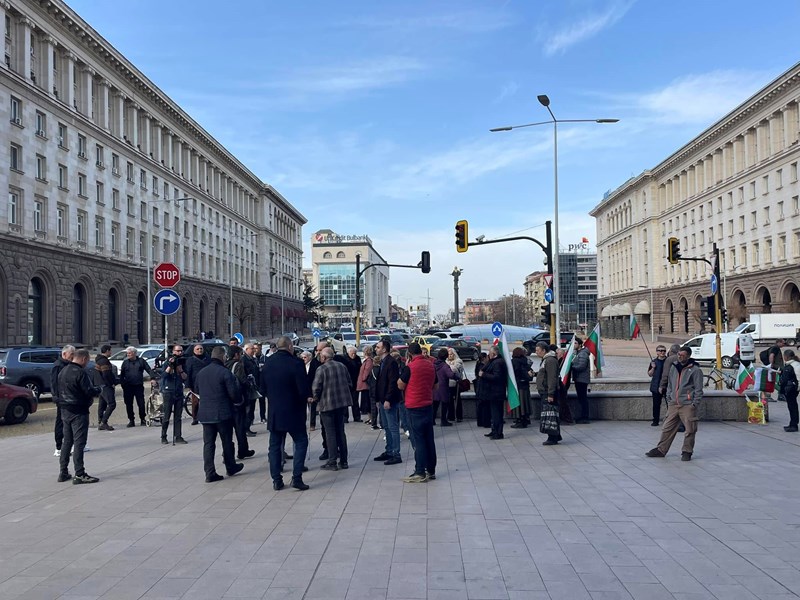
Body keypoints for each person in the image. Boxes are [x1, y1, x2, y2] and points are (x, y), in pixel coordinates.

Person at [260, 335, 311, 490]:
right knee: (301, 442)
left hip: (275, 412)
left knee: (275, 446)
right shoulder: (296, 363)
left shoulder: (268, 363)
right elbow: (303, 389)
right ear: (290, 347)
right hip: (294, 411)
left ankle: (276, 480)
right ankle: (297, 478)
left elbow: (262, 389)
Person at [646, 346, 703, 461]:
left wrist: (694, 404)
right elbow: (670, 384)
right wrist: (669, 397)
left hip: (687, 405)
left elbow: (698, 389)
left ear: (688, 356)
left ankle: (687, 451)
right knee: (667, 428)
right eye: (679, 354)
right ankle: (661, 450)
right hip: (673, 404)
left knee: (690, 430)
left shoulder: (695, 370)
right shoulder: (674, 367)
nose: (680, 357)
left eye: (682, 355)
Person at [195, 347, 244, 482]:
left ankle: (209, 472)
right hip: (223, 413)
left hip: (205, 414)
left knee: (208, 444)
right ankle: (230, 466)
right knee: (227, 441)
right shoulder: (224, 372)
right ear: (223, 357)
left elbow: (197, 389)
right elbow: (233, 394)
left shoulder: (201, 372)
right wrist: (238, 401)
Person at [57, 349, 101, 484]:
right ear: (83, 359)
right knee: (79, 442)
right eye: (87, 361)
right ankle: (80, 474)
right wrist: (98, 390)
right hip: (78, 410)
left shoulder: (63, 371)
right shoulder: (81, 372)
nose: (87, 363)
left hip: (65, 410)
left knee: (67, 442)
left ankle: (63, 472)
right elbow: (88, 391)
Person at [398, 342, 437, 483]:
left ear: (409, 354)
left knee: (418, 440)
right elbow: (436, 385)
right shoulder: (430, 365)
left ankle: (420, 471)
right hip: (428, 405)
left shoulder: (410, 367)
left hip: (414, 406)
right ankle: (431, 470)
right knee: (429, 439)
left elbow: (400, 385)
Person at [312, 347, 351, 471]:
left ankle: (332, 461)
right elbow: (349, 382)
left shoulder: (322, 369)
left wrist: (315, 398)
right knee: (340, 431)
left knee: (330, 433)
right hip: (341, 403)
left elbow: (316, 387)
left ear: (324, 357)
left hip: (327, 405)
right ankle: (344, 461)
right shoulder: (342, 366)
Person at [373, 339, 402, 465]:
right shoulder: (383, 362)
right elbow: (380, 382)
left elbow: (392, 382)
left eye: (378, 347)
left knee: (392, 427)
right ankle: (389, 450)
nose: (376, 349)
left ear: (384, 349)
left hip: (389, 400)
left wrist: (388, 399)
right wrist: (378, 399)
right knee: (386, 427)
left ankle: (396, 453)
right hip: (382, 399)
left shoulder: (391, 362)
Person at [225, 346, 255, 460]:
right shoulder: (238, 365)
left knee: (228, 431)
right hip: (238, 401)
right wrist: (249, 383)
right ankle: (242, 450)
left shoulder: (224, 365)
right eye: (240, 354)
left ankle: (227, 454)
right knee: (240, 428)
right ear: (236, 355)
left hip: (227, 401)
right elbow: (243, 381)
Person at [160, 344, 188, 445]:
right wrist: (170, 366)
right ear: (173, 352)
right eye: (177, 351)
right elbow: (163, 376)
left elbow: (185, 377)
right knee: (166, 415)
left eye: (181, 351)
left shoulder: (182, 362)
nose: (179, 353)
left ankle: (178, 436)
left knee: (178, 416)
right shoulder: (167, 362)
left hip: (178, 391)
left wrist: (180, 370)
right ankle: (163, 436)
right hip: (168, 391)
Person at [120, 346, 155, 427]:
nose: (128, 355)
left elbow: (149, 369)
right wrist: (123, 384)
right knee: (129, 404)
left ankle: (142, 419)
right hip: (128, 386)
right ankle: (131, 420)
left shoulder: (141, 361)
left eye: (129, 353)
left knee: (141, 403)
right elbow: (122, 375)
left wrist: (152, 378)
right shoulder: (125, 362)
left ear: (134, 353)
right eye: (127, 353)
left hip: (138, 386)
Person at [535, 341, 562, 445]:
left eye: (538, 350)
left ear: (544, 350)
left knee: (550, 415)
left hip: (548, 392)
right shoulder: (546, 360)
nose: (536, 352)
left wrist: (551, 394)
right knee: (549, 414)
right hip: (545, 391)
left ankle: (552, 437)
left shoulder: (550, 361)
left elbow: (552, 378)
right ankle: (555, 435)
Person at [51, 345, 75, 457]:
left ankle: (72, 444)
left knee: (71, 421)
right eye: (71, 354)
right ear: (64, 354)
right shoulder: (58, 365)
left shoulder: (69, 364)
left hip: (69, 397)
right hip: (62, 398)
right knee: (61, 421)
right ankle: (59, 447)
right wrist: (56, 397)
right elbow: (54, 383)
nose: (73, 356)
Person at [480, 346, 508, 440]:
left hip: (496, 393)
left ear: (493, 353)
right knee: (494, 413)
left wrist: (484, 375)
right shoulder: (493, 361)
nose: (488, 354)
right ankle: (494, 430)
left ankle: (498, 432)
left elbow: (497, 377)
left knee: (497, 414)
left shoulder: (498, 363)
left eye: (490, 352)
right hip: (492, 392)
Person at [658, 344, 683, 432]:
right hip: (683, 386)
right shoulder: (684, 358)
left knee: (672, 406)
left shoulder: (669, 359)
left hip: (672, 386)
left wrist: (662, 385)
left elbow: (665, 374)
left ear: (671, 351)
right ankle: (682, 424)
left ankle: (675, 425)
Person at [185, 344, 210, 426]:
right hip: (195, 384)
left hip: (207, 383)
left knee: (206, 401)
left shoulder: (207, 359)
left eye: (201, 348)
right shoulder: (190, 360)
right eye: (198, 349)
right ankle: (195, 418)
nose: (200, 350)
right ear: (194, 350)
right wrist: (188, 385)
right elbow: (188, 372)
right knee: (195, 402)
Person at [94, 345, 117, 431]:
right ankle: (103, 422)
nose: (111, 352)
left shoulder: (99, 360)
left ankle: (100, 421)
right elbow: (106, 374)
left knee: (102, 404)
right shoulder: (104, 361)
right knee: (112, 404)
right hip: (105, 385)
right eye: (110, 351)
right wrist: (111, 383)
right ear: (107, 351)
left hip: (99, 384)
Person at [433, 348, 457, 427]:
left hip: (434, 387)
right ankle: (443, 421)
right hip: (443, 388)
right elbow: (451, 375)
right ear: (446, 356)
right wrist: (456, 376)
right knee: (444, 405)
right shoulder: (444, 366)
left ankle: (432, 420)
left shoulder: (434, 364)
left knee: (435, 405)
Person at [510, 347, 532, 428]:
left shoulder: (514, 361)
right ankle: (526, 418)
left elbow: (514, 372)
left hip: (518, 385)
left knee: (519, 404)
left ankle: (520, 420)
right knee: (525, 403)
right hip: (525, 385)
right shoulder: (525, 360)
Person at [241, 343, 261, 434]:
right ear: (246, 349)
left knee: (251, 408)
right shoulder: (244, 360)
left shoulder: (253, 359)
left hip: (253, 387)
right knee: (248, 410)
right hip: (247, 389)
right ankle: (245, 429)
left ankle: (248, 427)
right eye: (252, 349)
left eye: (254, 348)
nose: (254, 350)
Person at [571, 337, 591, 424]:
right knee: (581, 398)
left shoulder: (583, 354)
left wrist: (571, 367)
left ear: (580, 345)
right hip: (578, 378)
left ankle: (585, 417)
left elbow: (581, 366)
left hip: (582, 379)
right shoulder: (577, 353)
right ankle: (582, 416)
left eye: (575, 343)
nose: (574, 345)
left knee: (583, 398)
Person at [342, 345, 363, 423]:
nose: (353, 355)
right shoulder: (344, 359)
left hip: (355, 382)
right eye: (352, 353)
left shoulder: (357, 358)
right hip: (346, 383)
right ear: (348, 352)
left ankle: (357, 417)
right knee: (345, 402)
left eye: (355, 353)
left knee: (355, 401)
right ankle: (345, 418)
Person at [781, 349, 800, 432]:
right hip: (789, 389)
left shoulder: (795, 365)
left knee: (793, 407)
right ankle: (792, 423)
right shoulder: (789, 365)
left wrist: (797, 388)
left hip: (792, 389)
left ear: (787, 357)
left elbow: (798, 378)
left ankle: (794, 425)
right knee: (791, 406)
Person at [648, 345, 668, 426]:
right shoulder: (654, 362)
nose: (662, 352)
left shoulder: (668, 361)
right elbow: (650, 374)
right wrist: (653, 368)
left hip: (667, 386)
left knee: (669, 405)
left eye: (664, 350)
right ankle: (655, 420)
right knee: (656, 405)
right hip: (655, 386)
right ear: (657, 352)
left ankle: (670, 421)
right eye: (660, 350)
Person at [446, 348, 465, 423]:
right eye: (448, 354)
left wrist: (449, 366)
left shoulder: (458, 361)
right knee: (449, 400)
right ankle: (451, 416)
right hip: (449, 384)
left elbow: (454, 370)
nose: (450, 356)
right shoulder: (446, 361)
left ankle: (459, 416)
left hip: (457, 383)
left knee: (458, 400)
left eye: (451, 354)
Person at [357, 346, 375, 425]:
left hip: (366, 385)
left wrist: (363, 378)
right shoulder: (367, 361)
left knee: (367, 403)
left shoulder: (369, 361)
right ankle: (369, 418)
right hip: (365, 385)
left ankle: (371, 418)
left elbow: (367, 371)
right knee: (366, 403)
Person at [474, 352, 491, 428]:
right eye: (487, 357)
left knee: (480, 406)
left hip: (479, 389)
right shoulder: (483, 367)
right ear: (484, 358)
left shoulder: (478, 365)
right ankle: (485, 422)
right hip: (483, 389)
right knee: (485, 406)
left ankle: (480, 422)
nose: (488, 358)